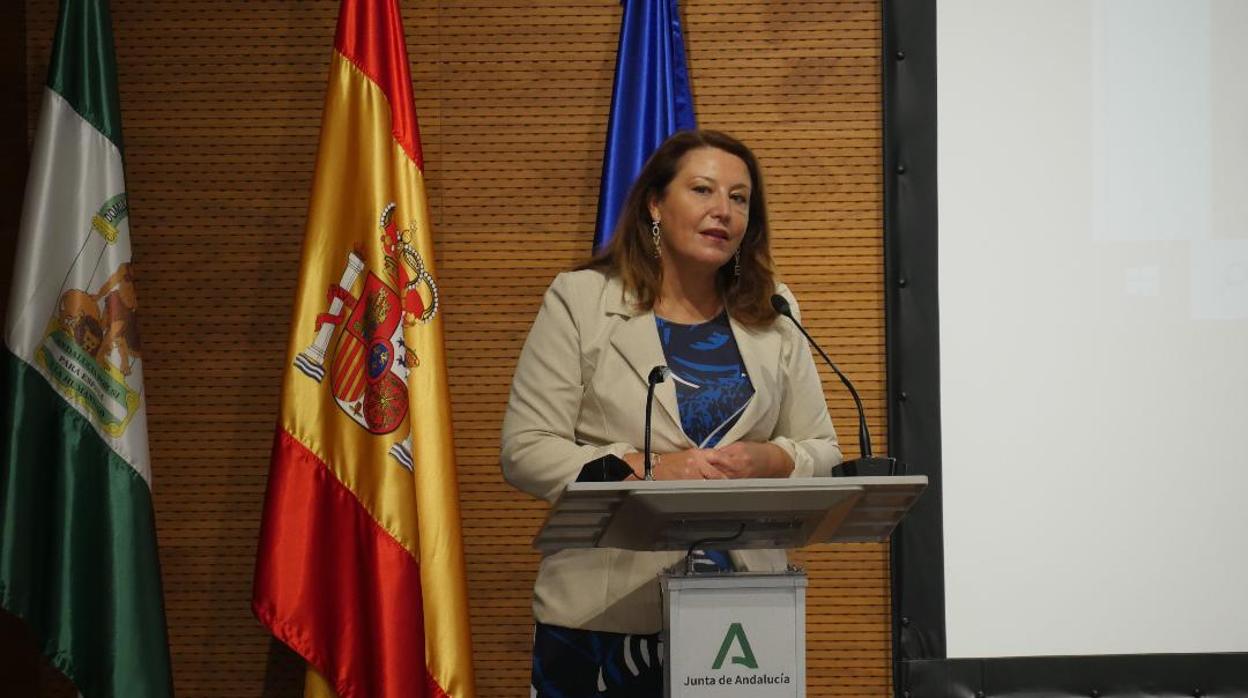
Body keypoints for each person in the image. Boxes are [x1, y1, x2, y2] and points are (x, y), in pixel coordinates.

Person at [501, 129, 842, 697]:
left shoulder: (774, 309)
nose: (723, 211)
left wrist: (773, 458)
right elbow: (526, 450)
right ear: (655, 204)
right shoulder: (582, 300)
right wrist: (647, 466)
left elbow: (823, 449)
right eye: (703, 190)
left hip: (742, 615)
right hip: (604, 619)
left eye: (739, 198)